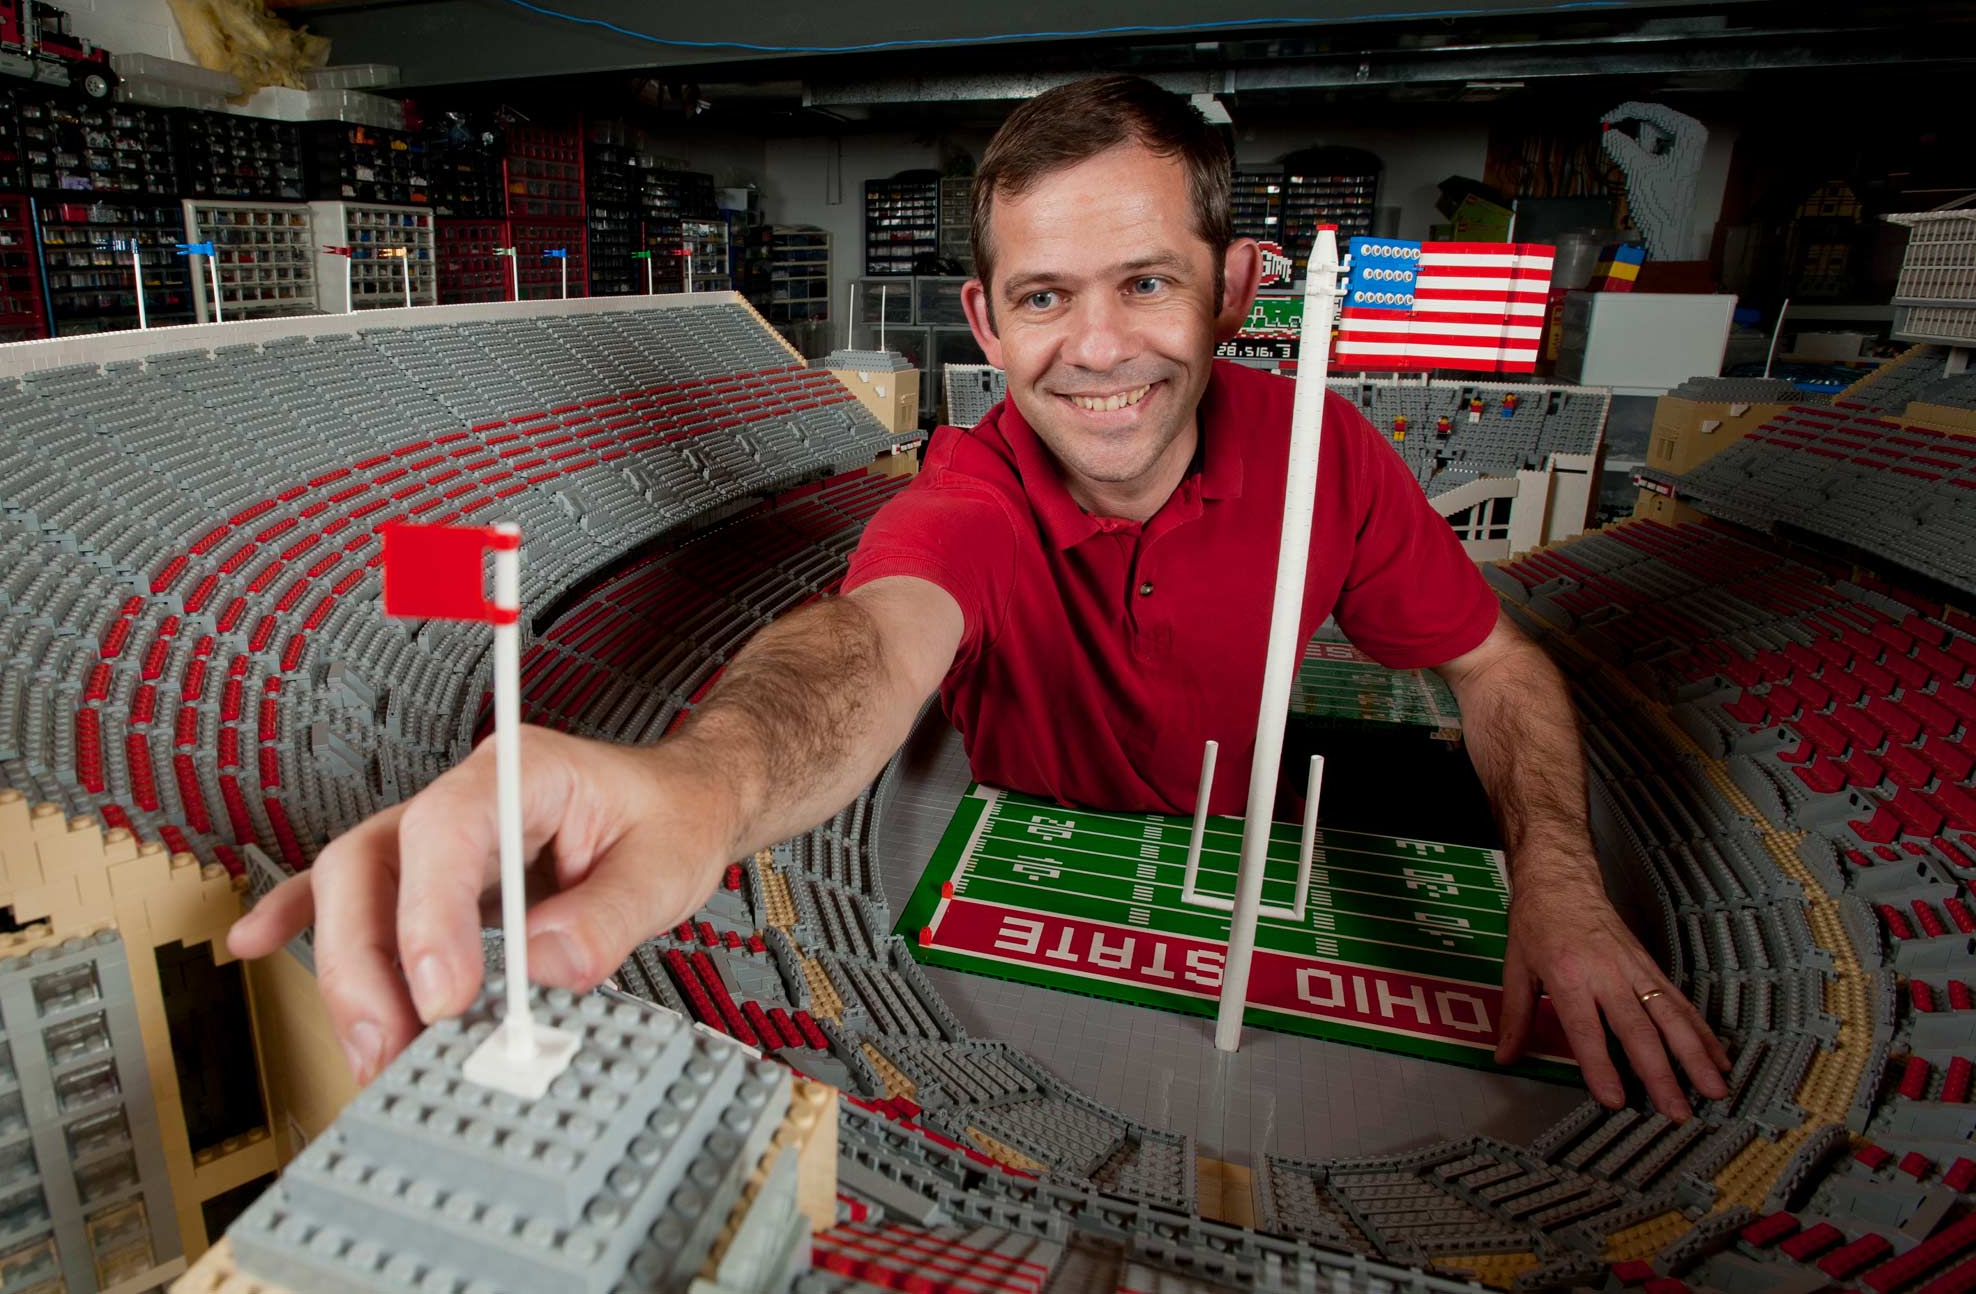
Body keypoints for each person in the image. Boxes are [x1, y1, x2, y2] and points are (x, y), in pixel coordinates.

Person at [234, 75, 1730, 1121]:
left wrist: (1563, 877)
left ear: (1239, 282)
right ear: (983, 320)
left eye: (1147, 282)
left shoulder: (1324, 447)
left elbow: (1500, 666)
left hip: (1255, 866)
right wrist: (703, 779)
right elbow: (866, 646)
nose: (1096, 348)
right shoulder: (973, 490)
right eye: (1042, 296)